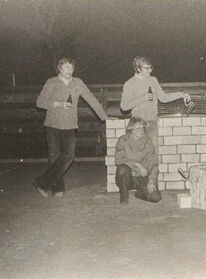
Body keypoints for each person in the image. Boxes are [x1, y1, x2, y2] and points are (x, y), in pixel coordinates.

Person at [33, 58, 108, 198]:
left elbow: (91, 98)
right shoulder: (52, 82)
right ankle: (57, 188)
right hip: (52, 124)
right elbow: (40, 102)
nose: (69, 69)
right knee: (54, 156)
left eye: (71, 66)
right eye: (66, 66)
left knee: (69, 156)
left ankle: (41, 182)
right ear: (60, 69)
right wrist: (59, 104)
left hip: (70, 125)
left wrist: (105, 117)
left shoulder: (78, 83)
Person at [120, 56, 191, 153]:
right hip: (138, 124)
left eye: (151, 68)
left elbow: (163, 97)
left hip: (152, 123)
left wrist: (181, 95)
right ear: (138, 69)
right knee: (138, 156)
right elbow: (124, 106)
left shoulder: (153, 80)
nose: (150, 71)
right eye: (147, 68)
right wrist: (142, 98)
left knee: (153, 156)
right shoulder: (129, 84)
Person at [115, 116, 161, 204]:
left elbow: (154, 163)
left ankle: (140, 193)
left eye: (143, 128)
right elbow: (118, 159)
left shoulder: (148, 141)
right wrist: (137, 165)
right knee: (122, 170)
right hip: (127, 178)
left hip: (141, 176)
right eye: (138, 128)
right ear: (131, 129)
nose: (141, 131)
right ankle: (124, 196)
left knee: (155, 197)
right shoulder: (123, 140)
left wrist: (151, 181)